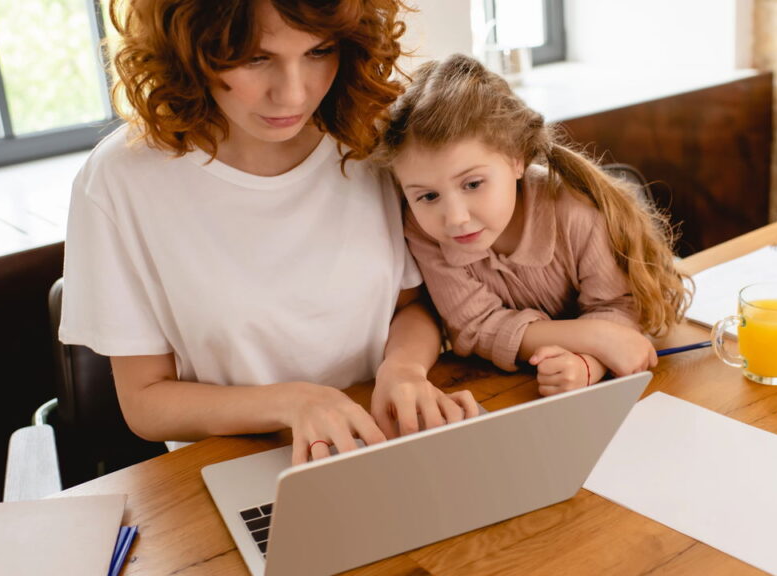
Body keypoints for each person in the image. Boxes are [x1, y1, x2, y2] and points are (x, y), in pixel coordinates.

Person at [59, 0, 478, 466]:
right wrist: (293, 403)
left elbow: (411, 304)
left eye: (319, 52)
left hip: (382, 440)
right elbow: (145, 402)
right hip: (241, 463)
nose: (294, 95)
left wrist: (404, 370)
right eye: (256, 58)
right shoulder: (121, 180)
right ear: (187, 50)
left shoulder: (369, 137)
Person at [374, 54, 691, 397]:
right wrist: (593, 338)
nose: (455, 218)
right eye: (428, 196)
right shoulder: (422, 231)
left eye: (473, 184)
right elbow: (474, 327)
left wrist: (588, 364)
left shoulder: (575, 211)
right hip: (504, 391)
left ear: (516, 159)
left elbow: (621, 314)